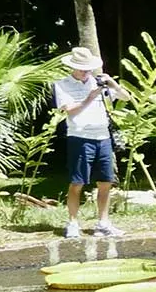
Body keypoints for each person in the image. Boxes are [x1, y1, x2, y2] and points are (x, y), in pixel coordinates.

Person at [53, 47, 123, 238]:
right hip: (80, 138)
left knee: (106, 182)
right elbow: (69, 110)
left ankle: (103, 223)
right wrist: (89, 97)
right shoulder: (62, 84)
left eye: (89, 69)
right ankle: (73, 223)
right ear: (73, 67)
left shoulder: (98, 82)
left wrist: (113, 84)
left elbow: (126, 97)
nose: (86, 72)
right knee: (77, 182)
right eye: (83, 69)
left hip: (103, 138)